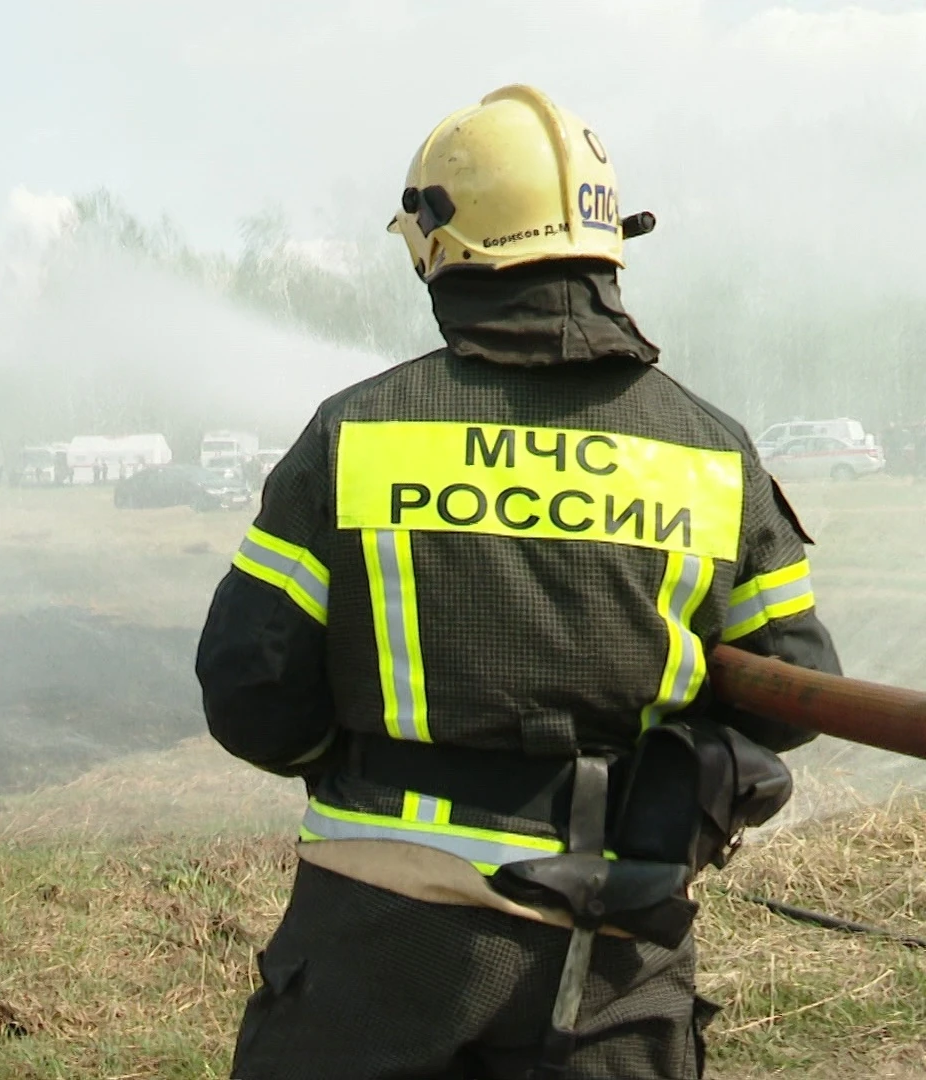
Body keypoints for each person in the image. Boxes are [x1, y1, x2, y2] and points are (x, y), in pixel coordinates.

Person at [195, 85, 841, 1080]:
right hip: (617, 942)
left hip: (382, 936)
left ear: (443, 246)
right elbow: (795, 688)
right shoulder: (714, 453)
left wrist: (366, 758)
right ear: (604, 243)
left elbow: (251, 691)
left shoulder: (356, 432)